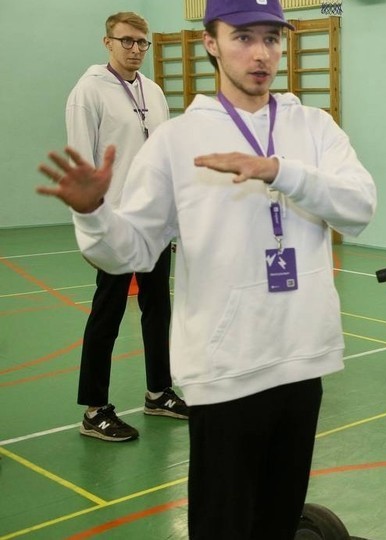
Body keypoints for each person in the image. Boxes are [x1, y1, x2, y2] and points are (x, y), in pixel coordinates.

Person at [37, 0, 377, 537]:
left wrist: (279, 170)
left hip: (301, 360)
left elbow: (360, 206)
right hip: (224, 374)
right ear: (211, 43)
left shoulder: (313, 128)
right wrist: (95, 213)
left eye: (271, 37)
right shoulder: (176, 141)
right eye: (243, 37)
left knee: (278, 522)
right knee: (222, 525)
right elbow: (130, 251)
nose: (261, 53)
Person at [66, 11, 185, 442]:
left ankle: (159, 392)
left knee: (159, 310)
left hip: (153, 223)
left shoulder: (153, 92)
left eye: (142, 43)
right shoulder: (88, 93)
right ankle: (95, 410)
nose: (135, 50)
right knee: (108, 313)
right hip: (115, 224)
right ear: (108, 42)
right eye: (127, 41)